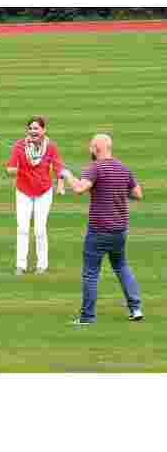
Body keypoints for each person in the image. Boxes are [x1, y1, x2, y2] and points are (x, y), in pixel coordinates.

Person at [62, 134, 144, 324]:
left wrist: (67, 175)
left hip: (98, 231)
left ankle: (87, 317)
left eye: (91, 146)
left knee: (90, 273)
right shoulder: (123, 168)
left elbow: (79, 189)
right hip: (120, 231)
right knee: (122, 266)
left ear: (96, 148)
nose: (89, 150)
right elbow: (138, 194)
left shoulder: (95, 168)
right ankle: (136, 308)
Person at [6, 116, 65, 275]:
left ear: (43, 130)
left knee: (39, 229)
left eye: (36, 128)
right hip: (23, 191)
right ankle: (20, 265)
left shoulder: (50, 147)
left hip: (44, 192)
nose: (33, 131)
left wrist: (60, 183)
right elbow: (10, 169)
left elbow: (58, 166)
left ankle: (42, 265)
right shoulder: (19, 146)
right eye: (30, 128)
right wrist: (19, 171)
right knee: (23, 228)